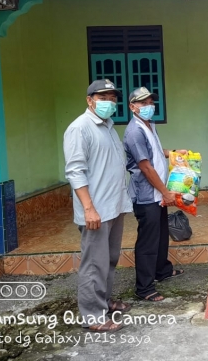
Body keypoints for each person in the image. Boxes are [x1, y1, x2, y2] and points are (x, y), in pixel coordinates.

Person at [63, 79, 132, 332]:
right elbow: (75, 171)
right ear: (89, 100)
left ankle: (104, 301)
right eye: (103, 97)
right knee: (94, 262)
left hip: (113, 206)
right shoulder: (79, 129)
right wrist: (89, 208)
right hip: (96, 210)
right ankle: (93, 316)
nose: (109, 102)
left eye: (113, 97)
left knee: (109, 259)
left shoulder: (109, 127)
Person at [123, 87, 185, 303]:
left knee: (160, 235)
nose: (149, 106)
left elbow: (156, 153)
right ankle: (144, 288)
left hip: (157, 193)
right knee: (148, 242)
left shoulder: (149, 125)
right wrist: (165, 192)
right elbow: (146, 167)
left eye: (150, 102)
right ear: (132, 107)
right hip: (147, 195)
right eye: (143, 103)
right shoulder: (134, 132)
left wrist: (174, 153)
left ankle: (162, 271)